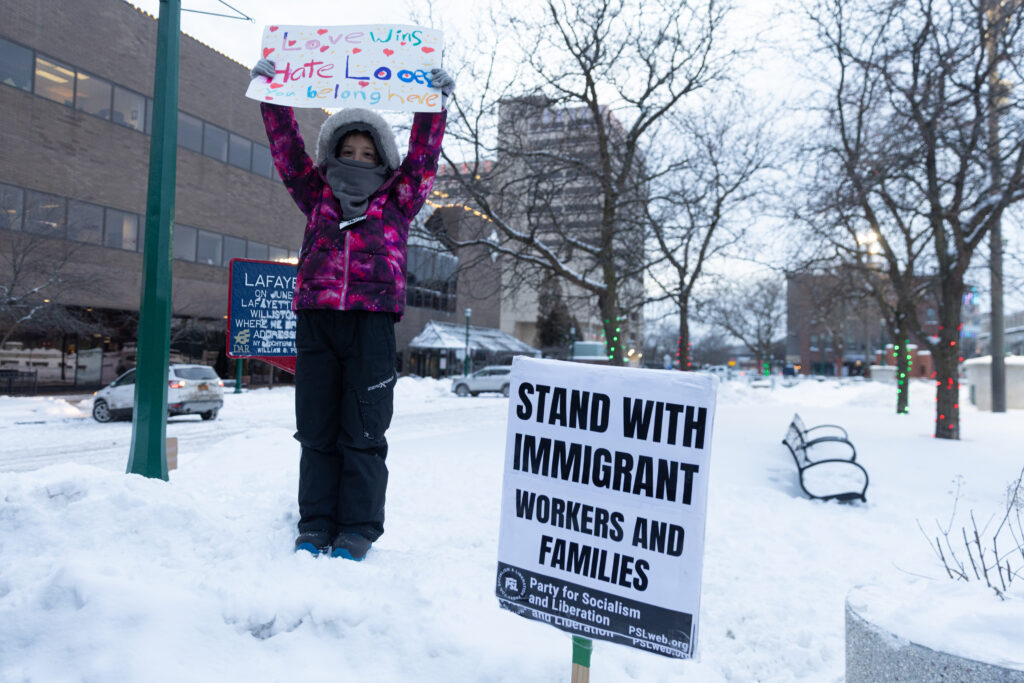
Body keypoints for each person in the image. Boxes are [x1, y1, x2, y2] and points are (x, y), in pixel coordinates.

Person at [249, 57, 454, 560]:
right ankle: (315, 523)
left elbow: (424, 157)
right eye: (348, 150)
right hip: (317, 323)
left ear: (382, 157)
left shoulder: (399, 199)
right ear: (333, 153)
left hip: (371, 328)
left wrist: (435, 106)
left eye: (368, 152)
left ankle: (358, 528)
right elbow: (286, 150)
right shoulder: (315, 192)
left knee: (363, 432)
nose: (358, 159)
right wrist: (273, 93)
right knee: (317, 430)